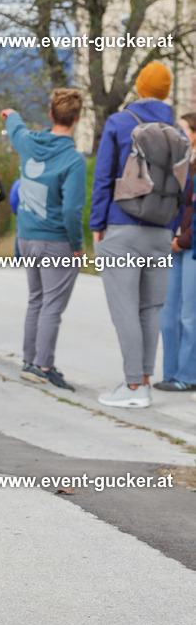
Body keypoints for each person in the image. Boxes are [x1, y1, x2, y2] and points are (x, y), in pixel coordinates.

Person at [91, 62, 187, 409]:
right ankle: (144, 380)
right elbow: (183, 187)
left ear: (140, 86)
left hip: (121, 227)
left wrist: (96, 225)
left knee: (124, 310)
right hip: (161, 232)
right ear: (166, 92)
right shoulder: (177, 132)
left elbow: (103, 179)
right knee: (150, 308)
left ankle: (133, 387)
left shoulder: (119, 123)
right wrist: (170, 225)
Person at [1, 88, 86, 392]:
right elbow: (72, 210)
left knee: (36, 299)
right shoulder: (73, 160)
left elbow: (16, 125)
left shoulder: (28, 142)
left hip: (27, 238)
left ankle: (29, 361)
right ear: (76, 119)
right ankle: (43, 365)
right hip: (56, 241)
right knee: (52, 304)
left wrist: (10, 112)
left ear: (50, 115)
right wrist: (77, 245)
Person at [154, 113, 196, 391]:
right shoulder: (182, 167)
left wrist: (181, 241)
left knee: (189, 316)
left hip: (190, 249)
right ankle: (171, 373)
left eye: (181, 130)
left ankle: (188, 376)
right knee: (168, 314)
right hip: (173, 246)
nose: (176, 135)